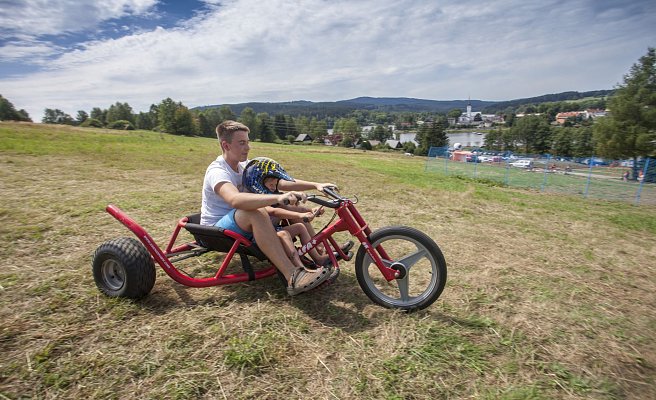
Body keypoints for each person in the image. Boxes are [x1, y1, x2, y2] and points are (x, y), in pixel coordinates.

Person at [200, 120, 338, 296]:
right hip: (216, 231)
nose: (248, 147)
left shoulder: (244, 166)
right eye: (242, 143)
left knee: (289, 203)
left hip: (238, 223)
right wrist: (277, 197)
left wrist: (315, 185)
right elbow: (235, 199)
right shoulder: (218, 171)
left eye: (248, 142)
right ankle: (293, 276)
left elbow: (278, 182)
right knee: (256, 211)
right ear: (225, 145)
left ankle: (317, 253)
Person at [242, 157, 354, 267]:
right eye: (271, 185)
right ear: (257, 184)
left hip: (273, 229)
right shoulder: (256, 202)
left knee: (299, 224)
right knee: (287, 227)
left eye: (275, 185)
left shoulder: (271, 195)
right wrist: (300, 215)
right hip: (262, 237)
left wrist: (310, 210)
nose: (273, 188)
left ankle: (320, 249)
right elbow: (275, 212)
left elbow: (291, 204)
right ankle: (306, 265)